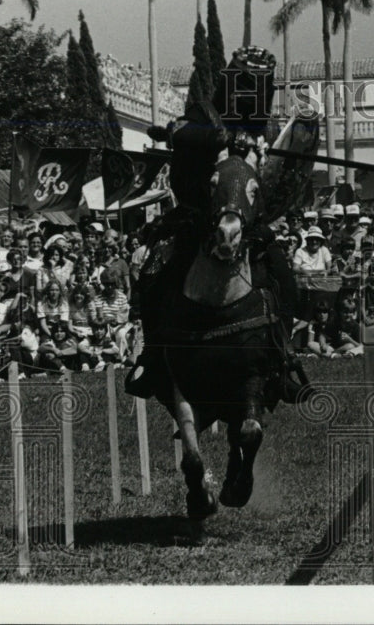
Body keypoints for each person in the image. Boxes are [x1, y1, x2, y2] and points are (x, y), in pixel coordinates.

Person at [126, 46, 304, 401]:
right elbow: (179, 131)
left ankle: (282, 360)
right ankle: (152, 358)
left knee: (284, 277)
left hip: (245, 222)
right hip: (195, 216)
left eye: (259, 84)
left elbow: (269, 180)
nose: (253, 91)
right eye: (247, 82)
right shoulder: (204, 113)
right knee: (152, 272)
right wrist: (219, 138)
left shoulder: (264, 127)